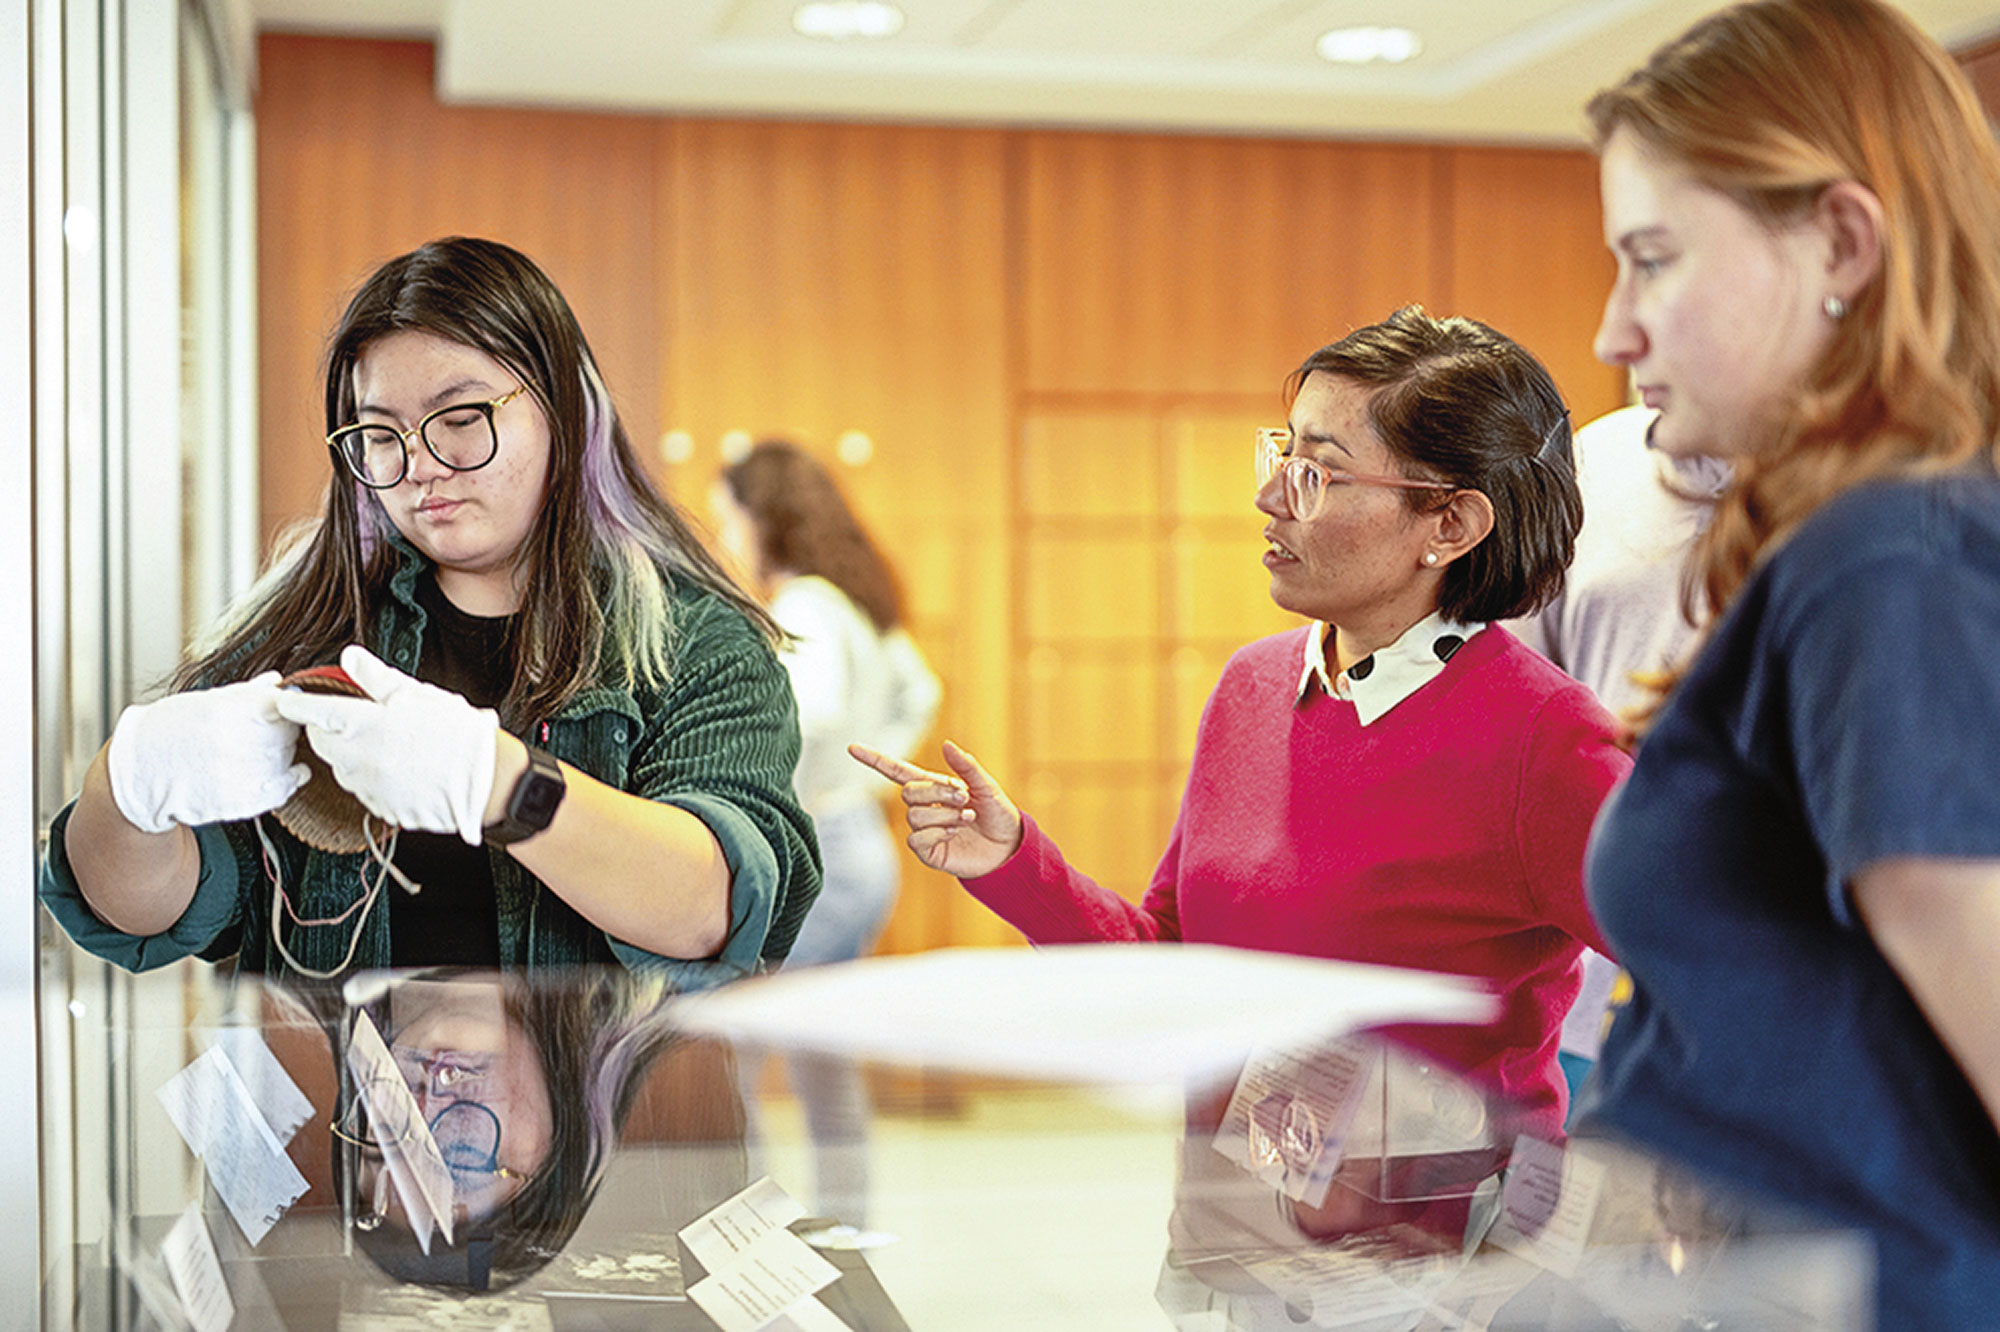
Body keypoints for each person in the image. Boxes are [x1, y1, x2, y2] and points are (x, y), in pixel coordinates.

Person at [857, 305, 1631, 1139]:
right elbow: (1173, 962)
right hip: (1223, 1225)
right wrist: (1013, 861)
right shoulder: (1254, 685)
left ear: (1450, 523)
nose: (1268, 499)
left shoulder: (1544, 740)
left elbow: (1721, 970)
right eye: (1282, 454)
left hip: (1437, 1254)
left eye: (1317, 474)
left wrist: (1623, 1194)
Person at [39, 237, 820, 987]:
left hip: (605, 1120)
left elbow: (716, 908)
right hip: (343, 1117)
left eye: (460, 419)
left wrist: (502, 785)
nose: (419, 467)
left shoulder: (691, 644)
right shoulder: (299, 631)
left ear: (562, 409)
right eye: (381, 435)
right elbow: (141, 912)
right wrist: (129, 785)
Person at [1577, 2, 2000, 1323]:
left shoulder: (1884, 558)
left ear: (1843, 242)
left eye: (1652, 260)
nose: (1613, 330)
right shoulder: (1878, 535)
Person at [710, 438, 941, 1230]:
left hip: (821, 856)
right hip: (855, 846)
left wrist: (782, 796)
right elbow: (919, 691)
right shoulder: (851, 598)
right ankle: (846, 1227)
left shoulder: (805, 603)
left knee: (729, 1046)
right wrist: (865, 783)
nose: (726, 539)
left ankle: (737, 1220)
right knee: (819, 1058)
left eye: (729, 519)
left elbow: (810, 719)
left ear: (764, 517)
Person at [1507, 402, 1729, 1107]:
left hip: (1765, 991)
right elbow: (1515, 698)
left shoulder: (1896, 486)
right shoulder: (1597, 460)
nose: (1619, 336)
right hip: (1579, 989)